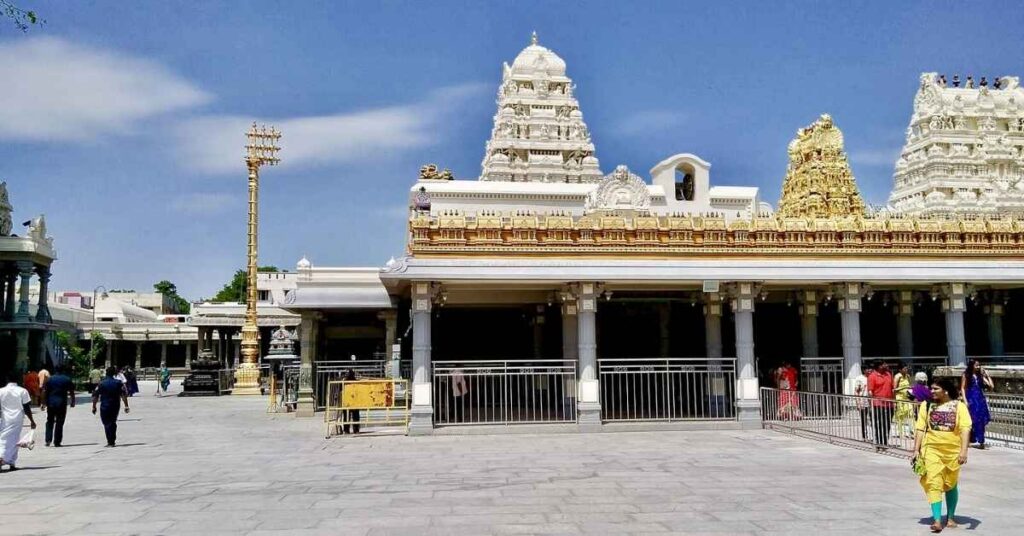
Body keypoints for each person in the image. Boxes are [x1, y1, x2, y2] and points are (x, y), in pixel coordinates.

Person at [913, 377, 971, 533]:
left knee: (951, 484)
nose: (931, 391)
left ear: (945, 391)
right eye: (931, 388)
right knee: (934, 482)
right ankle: (937, 520)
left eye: (935, 389)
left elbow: (965, 428)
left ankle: (950, 517)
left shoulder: (959, 406)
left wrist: (964, 451)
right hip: (931, 449)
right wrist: (916, 450)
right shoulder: (927, 405)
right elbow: (920, 428)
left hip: (952, 451)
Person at [0, 372, 38, 471]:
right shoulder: (22, 391)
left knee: (4, 438)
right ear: (18, 380)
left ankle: (8, 460)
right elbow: (26, 407)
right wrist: (32, 420)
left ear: (7, 380)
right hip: (17, 418)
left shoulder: (1, 391)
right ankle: (7, 460)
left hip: (5, 418)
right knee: (15, 439)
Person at [92, 367, 129, 447]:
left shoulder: (101, 383)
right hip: (115, 405)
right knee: (113, 421)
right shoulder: (118, 383)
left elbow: (95, 396)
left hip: (105, 406)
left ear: (106, 373)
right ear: (114, 374)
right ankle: (112, 440)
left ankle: (110, 441)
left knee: (106, 422)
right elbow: (123, 395)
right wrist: (126, 405)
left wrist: (94, 406)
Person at [961, 359, 993, 449]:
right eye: (976, 365)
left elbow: (991, 386)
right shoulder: (966, 375)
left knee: (981, 419)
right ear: (972, 366)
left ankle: (981, 441)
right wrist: (965, 400)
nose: (978, 367)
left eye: (979, 365)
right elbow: (963, 388)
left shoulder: (980, 376)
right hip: (971, 398)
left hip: (980, 399)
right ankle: (969, 440)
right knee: (972, 419)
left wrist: (987, 376)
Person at [41, 367, 75, 447]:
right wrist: (73, 401)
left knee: (50, 421)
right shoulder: (66, 379)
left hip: (51, 403)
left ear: (54, 371)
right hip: (62, 403)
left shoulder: (49, 379)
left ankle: (48, 440)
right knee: (60, 422)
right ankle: (57, 442)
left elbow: (44, 391)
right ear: (62, 371)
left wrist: (43, 402)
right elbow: (71, 391)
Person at [867, 360, 895, 450]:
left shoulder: (888, 374)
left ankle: (885, 442)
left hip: (889, 404)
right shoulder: (872, 376)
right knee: (878, 424)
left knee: (887, 424)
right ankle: (879, 442)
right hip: (877, 404)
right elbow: (870, 391)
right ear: (879, 366)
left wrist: (894, 401)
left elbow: (892, 389)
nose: (886, 365)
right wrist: (871, 404)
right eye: (884, 364)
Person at [892, 363, 914, 441]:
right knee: (900, 416)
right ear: (900, 369)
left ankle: (912, 431)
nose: (906, 370)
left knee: (911, 413)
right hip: (899, 397)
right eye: (904, 368)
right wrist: (904, 387)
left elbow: (910, 386)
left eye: (906, 368)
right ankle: (901, 433)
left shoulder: (907, 376)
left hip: (907, 397)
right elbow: (894, 389)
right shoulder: (897, 376)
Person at [853, 362, 872, 441]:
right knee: (864, 419)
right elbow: (856, 391)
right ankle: (865, 436)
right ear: (864, 370)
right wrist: (858, 403)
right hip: (863, 402)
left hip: (871, 401)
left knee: (872, 419)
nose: (870, 370)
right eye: (868, 369)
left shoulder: (871, 377)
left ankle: (874, 435)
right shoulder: (859, 378)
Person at [342, 369, 360, 434]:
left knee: (347, 416)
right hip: (353, 401)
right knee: (355, 416)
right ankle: (356, 429)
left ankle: (346, 430)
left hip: (347, 401)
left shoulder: (344, 382)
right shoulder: (355, 381)